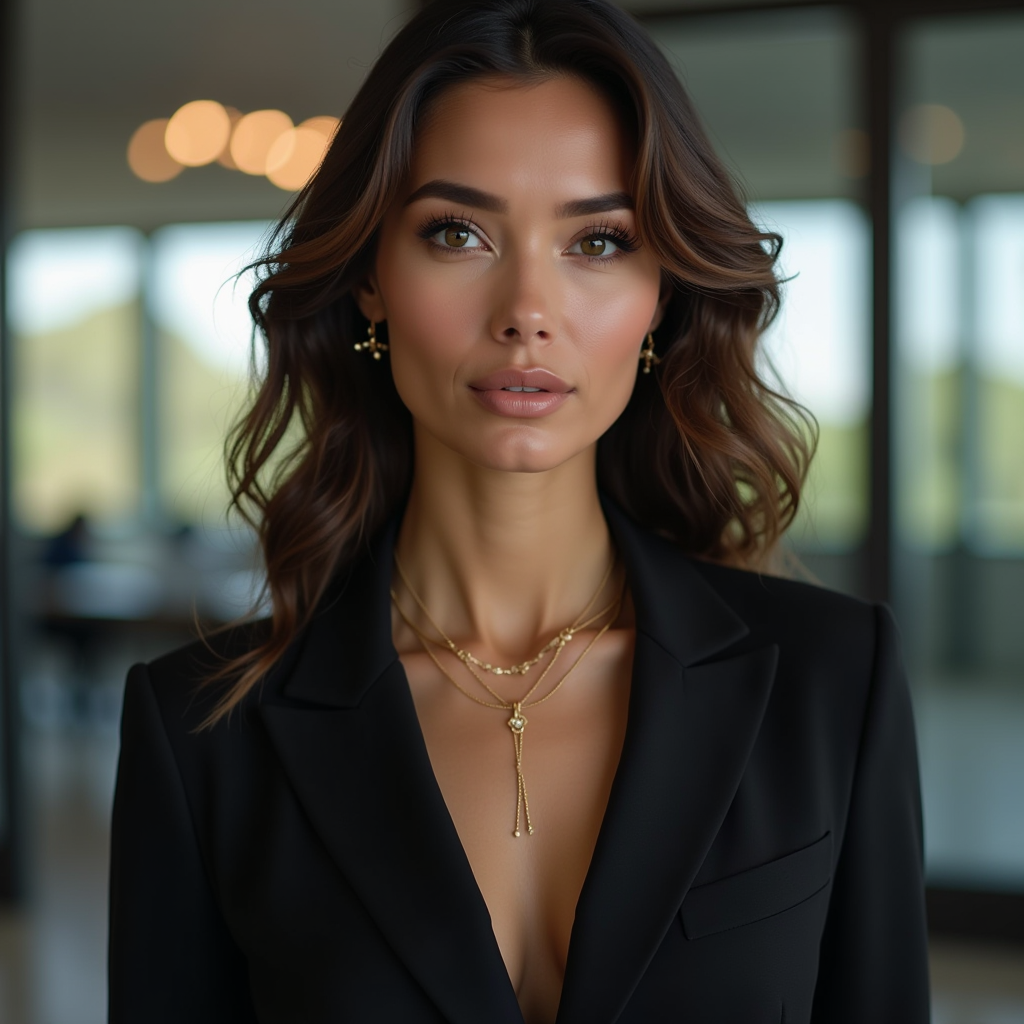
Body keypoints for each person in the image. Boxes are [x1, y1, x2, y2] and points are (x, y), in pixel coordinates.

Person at [107, 1, 930, 1021]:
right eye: (457, 233)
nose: (526, 309)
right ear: (371, 277)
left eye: (596, 241)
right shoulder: (205, 733)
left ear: (661, 292)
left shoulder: (830, 680)